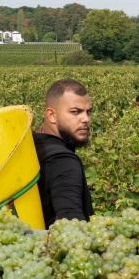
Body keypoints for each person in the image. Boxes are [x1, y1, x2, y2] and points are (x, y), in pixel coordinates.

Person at [34, 78, 94, 227]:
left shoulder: (33, 144)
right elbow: (71, 223)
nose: (85, 119)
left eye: (88, 112)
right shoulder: (64, 161)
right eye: (75, 112)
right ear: (51, 115)